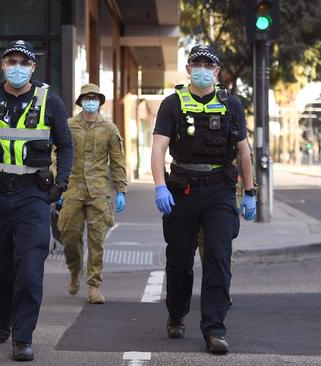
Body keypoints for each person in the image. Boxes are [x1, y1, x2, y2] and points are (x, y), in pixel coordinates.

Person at [0, 40, 73, 362]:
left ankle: (22, 336)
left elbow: (65, 146)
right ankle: (4, 315)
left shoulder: (50, 100)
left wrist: (61, 183)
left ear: (33, 67)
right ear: (3, 65)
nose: (16, 66)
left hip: (33, 194)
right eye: (11, 61)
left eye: (23, 61)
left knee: (30, 268)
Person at [150, 45, 256, 355]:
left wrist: (249, 192)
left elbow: (243, 151)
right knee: (180, 260)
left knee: (218, 258)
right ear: (188, 69)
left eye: (208, 64)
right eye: (196, 63)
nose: (202, 68)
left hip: (220, 188)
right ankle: (176, 312)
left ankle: (214, 329)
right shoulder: (172, 104)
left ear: (216, 71)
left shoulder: (231, 105)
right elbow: (158, 149)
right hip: (183, 188)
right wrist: (160, 186)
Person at [57, 83, 127, 304]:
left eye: (94, 97)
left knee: (97, 240)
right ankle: (75, 270)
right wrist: (57, 184)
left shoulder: (109, 128)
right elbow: (56, 154)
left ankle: (94, 285)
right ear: (80, 101)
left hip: (99, 191)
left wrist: (121, 190)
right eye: (87, 97)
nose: (90, 101)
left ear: (99, 101)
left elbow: (117, 161)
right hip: (72, 188)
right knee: (68, 234)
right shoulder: (68, 126)